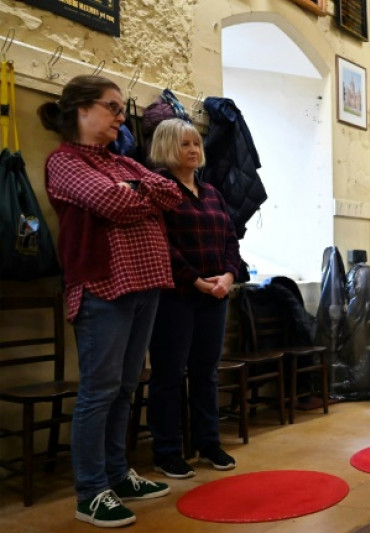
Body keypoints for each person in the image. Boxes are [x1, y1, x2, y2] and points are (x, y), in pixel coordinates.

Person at [38, 75, 182, 528]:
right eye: (113, 108)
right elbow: (110, 203)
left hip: (144, 284)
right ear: (82, 110)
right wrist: (136, 195)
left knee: (125, 387)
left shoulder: (122, 160)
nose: (121, 118)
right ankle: (91, 491)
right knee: (98, 393)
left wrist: (133, 191)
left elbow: (172, 193)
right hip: (103, 288)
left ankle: (119, 475)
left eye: (122, 109)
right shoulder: (64, 161)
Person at [146, 118, 242, 479]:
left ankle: (208, 443)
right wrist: (197, 280)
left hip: (216, 295)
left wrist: (229, 275)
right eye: (185, 144)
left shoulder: (213, 192)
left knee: (205, 373)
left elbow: (230, 239)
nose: (193, 150)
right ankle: (166, 450)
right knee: (169, 375)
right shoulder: (160, 190)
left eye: (196, 144)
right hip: (176, 297)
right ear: (167, 147)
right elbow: (161, 244)